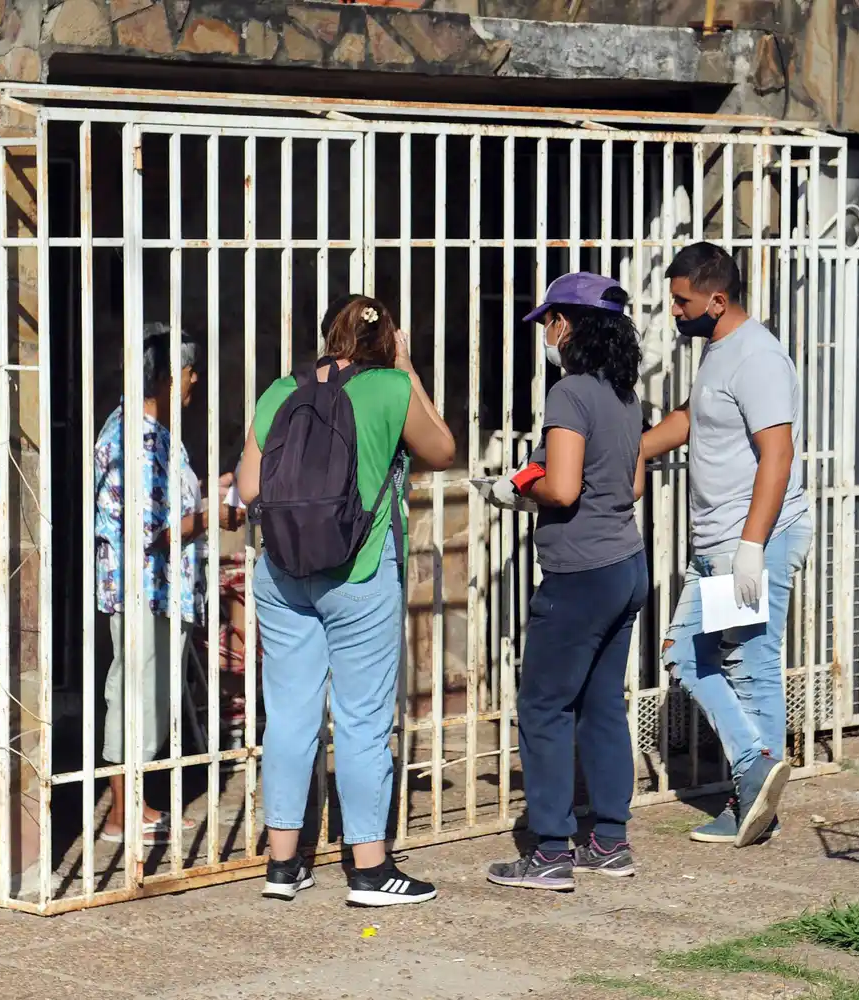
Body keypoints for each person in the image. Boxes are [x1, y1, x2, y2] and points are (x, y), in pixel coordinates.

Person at [237, 294, 455, 907]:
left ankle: (283, 865)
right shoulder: (389, 387)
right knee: (360, 719)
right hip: (359, 570)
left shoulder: (282, 391)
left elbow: (251, 486)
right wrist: (409, 367)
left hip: (282, 573)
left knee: (290, 715)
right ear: (386, 340)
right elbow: (441, 449)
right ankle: (368, 870)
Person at [641, 242, 813, 849]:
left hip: (750, 540)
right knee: (705, 657)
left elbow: (778, 452)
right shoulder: (718, 351)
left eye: (683, 301)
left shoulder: (758, 356)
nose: (675, 311)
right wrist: (634, 449)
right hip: (724, 540)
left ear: (717, 299)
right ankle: (755, 788)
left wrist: (750, 547)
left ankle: (752, 786)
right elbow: (693, 416)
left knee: (730, 661)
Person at [483, 273, 649, 892]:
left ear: (568, 325)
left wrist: (517, 488)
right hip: (626, 563)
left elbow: (563, 487)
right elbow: (630, 485)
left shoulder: (571, 394)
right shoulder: (625, 395)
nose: (546, 334)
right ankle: (610, 840)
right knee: (603, 703)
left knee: (545, 706)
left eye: (549, 321)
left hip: (579, 573)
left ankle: (549, 851)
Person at [93, 324, 228, 846]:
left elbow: (165, 504)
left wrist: (210, 492)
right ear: (171, 377)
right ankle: (121, 815)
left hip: (159, 588)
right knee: (136, 696)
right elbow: (151, 531)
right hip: (143, 588)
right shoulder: (137, 440)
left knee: (147, 695)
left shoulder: (148, 432)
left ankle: (137, 805)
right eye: (191, 374)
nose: (195, 385)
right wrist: (213, 515)